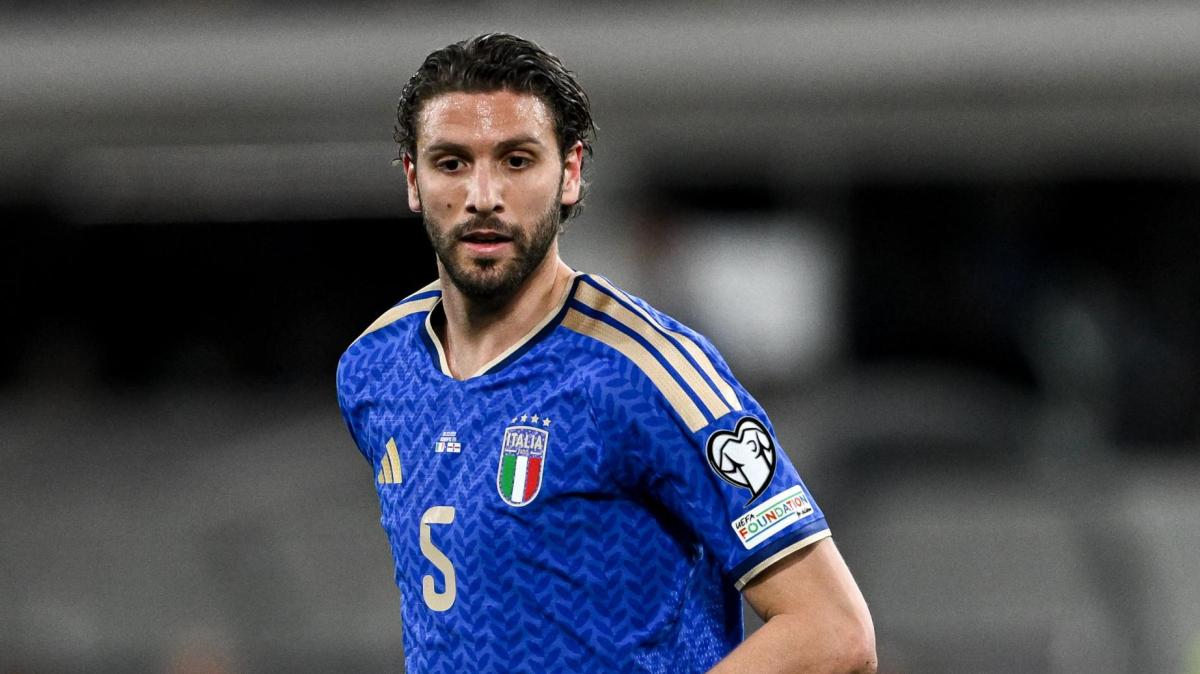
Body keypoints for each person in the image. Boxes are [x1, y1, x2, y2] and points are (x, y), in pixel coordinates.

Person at [336, 32, 876, 673]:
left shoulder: (643, 373)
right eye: (451, 163)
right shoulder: (375, 367)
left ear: (568, 173)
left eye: (516, 161)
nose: (482, 195)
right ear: (412, 179)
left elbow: (833, 631)